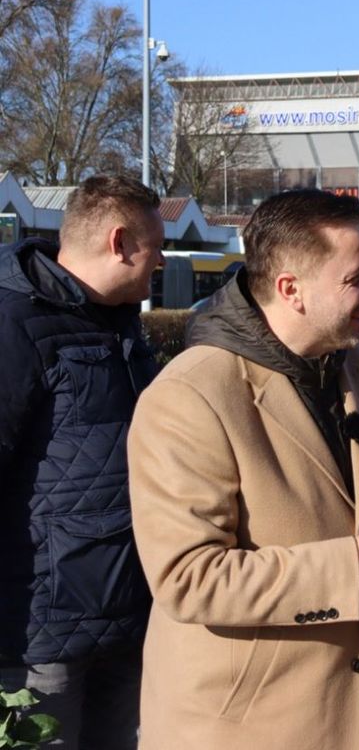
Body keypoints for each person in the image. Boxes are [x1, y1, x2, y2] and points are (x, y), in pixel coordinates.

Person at [127, 190, 359, 750]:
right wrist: (356, 562)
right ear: (291, 288)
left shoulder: (352, 363)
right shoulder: (190, 394)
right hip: (251, 723)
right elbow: (190, 580)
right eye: (357, 278)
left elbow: (353, 506)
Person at [0, 175, 163, 750]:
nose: (162, 260)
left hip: (124, 619)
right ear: (119, 242)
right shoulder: (14, 322)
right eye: (155, 245)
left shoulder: (120, 322)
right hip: (38, 641)